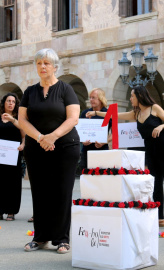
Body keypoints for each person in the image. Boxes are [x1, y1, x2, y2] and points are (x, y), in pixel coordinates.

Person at [86, 85, 164, 230]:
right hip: (150, 151)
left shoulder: (154, 108)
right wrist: (96, 113)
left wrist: (161, 127)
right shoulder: (136, 113)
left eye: (132, 96)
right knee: (155, 184)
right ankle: (160, 217)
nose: (130, 98)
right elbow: (115, 115)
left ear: (139, 96)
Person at [18, 48, 80, 254]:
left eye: (46, 63)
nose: (42, 67)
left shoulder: (66, 89)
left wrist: (53, 136)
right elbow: (22, 120)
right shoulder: (29, 92)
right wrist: (40, 138)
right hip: (36, 148)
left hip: (64, 146)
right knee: (40, 192)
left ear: (55, 66)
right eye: (38, 63)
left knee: (62, 191)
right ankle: (41, 237)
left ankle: (62, 239)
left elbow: (73, 118)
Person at [0, 93, 25, 221]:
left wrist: (23, 144)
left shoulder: (18, 118)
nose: (11, 103)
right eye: (8, 101)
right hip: (0, 155)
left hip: (13, 155)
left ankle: (11, 211)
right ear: (4, 102)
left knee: (12, 183)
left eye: (13, 102)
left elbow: (24, 133)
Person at [79, 88, 111, 170]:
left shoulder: (107, 114)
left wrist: (104, 142)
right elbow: (80, 131)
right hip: (86, 151)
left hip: (102, 151)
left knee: (101, 177)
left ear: (100, 99)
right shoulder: (85, 113)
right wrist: (83, 141)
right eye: (90, 97)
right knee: (86, 178)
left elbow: (115, 133)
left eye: (93, 97)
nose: (91, 100)